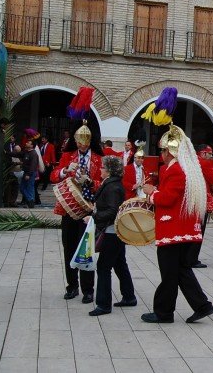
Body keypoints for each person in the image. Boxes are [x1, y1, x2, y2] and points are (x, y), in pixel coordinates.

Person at [141, 125, 213, 324]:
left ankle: (164, 312)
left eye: (163, 150)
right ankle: (202, 305)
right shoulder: (183, 168)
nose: (161, 155)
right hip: (181, 228)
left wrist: (151, 192)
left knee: (169, 273)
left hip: (173, 229)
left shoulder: (175, 170)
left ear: (170, 151)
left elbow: (167, 199)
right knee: (181, 270)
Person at [50, 123, 103, 303]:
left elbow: (102, 184)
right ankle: (72, 286)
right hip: (69, 208)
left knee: (87, 249)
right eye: (79, 142)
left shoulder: (98, 158)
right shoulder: (67, 156)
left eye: (85, 142)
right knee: (69, 247)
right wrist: (66, 170)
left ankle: (88, 289)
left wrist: (89, 182)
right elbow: (53, 176)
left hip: (88, 209)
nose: (82, 146)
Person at [86, 156, 136, 316]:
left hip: (111, 232)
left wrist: (93, 217)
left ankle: (103, 304)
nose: (100, 169)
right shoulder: (111, 184)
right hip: (114, 231)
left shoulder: (112, 187)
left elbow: (112, 211)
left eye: (102, 167)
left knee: (103, 267)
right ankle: (129, 297)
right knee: (120, 264)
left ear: (108, 170)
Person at [195, 145, 213, 268]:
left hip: (191, 200)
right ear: (203, 153)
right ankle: (193, 258)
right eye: (209, 154)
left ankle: (187, 257)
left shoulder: (190, 161)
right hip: (201, 200)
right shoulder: (204, 163)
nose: (211, 157)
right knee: (199, 229)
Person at [18, 139, 40, 208]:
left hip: (30, 173)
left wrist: (29, 174)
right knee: (22, 188)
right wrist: (7, 153)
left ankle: (31, 202)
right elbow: (17, 154)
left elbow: (33, 165)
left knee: (30, 188)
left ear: (32, 145)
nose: (26, 143)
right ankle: (30, 200)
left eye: (28, 143)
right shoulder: (26, 152)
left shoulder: (33, 153)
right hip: (26, 172)